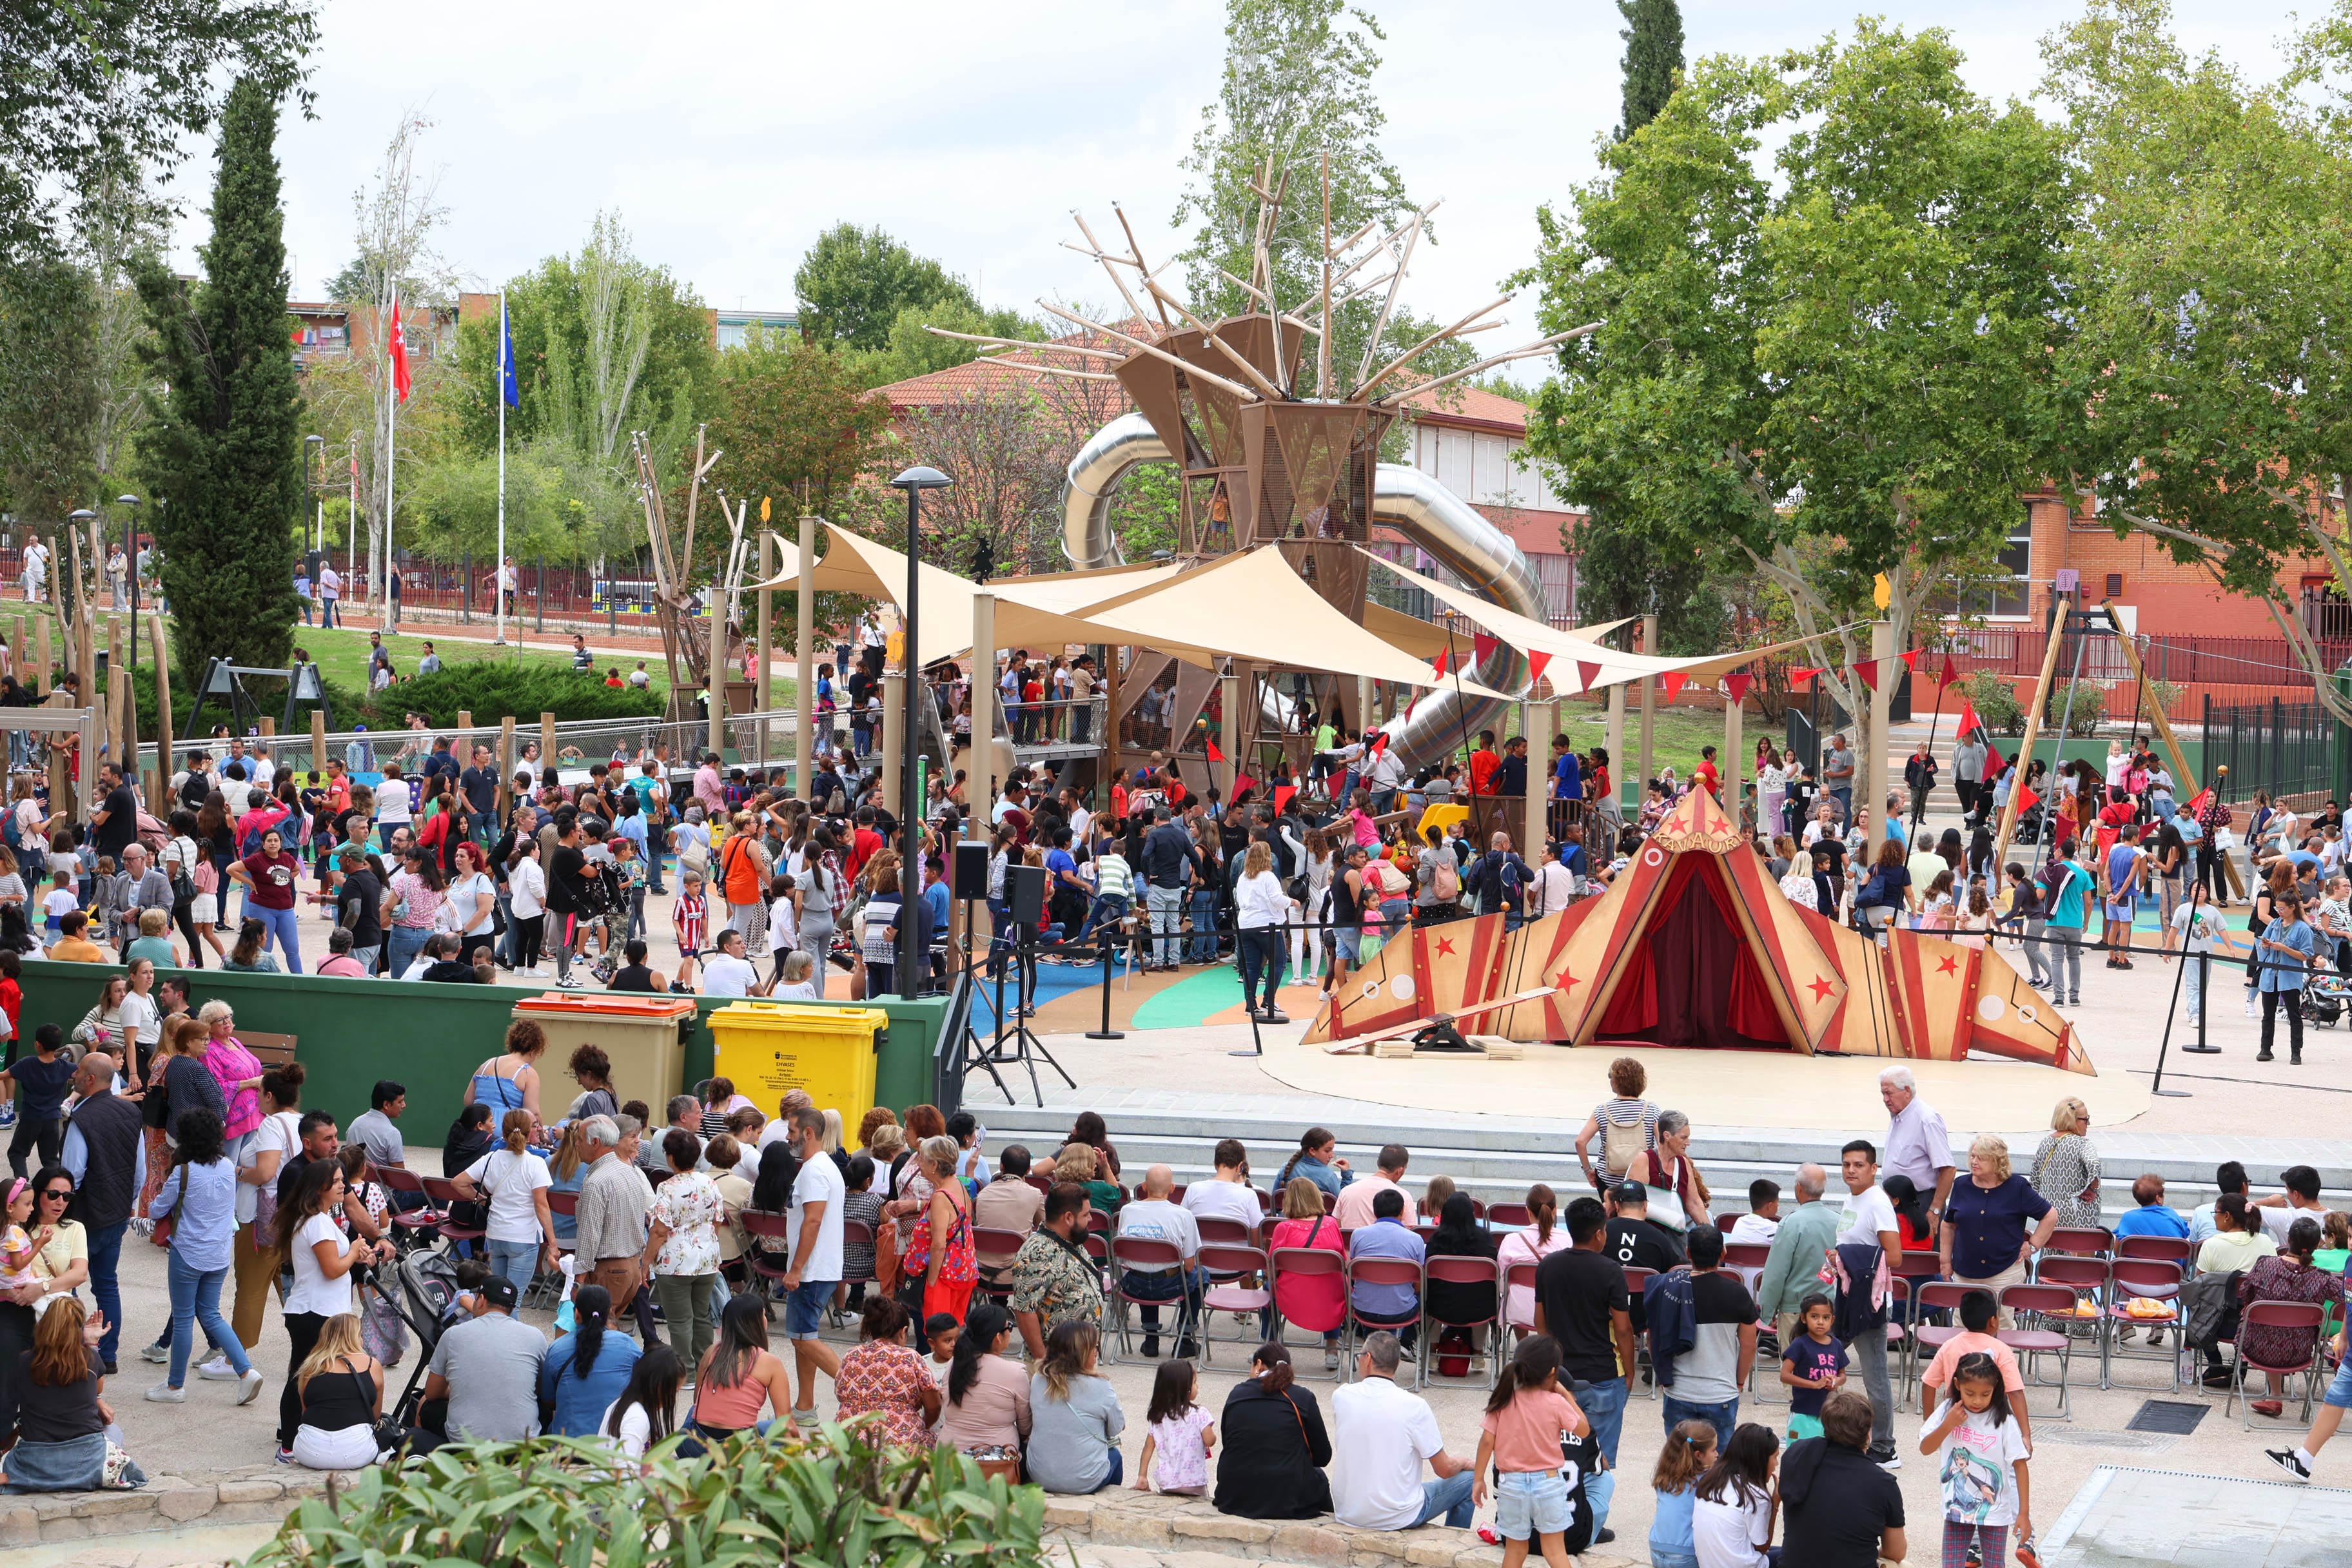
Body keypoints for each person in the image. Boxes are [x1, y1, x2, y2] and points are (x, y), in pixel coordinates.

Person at [141, 1108, 264, 1406]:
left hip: (187, 1253)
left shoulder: (184, 1172)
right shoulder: (227, 1166)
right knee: (211, 1314)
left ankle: (174, 1387)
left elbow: (157, 1210)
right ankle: (245, 1371)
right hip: (219, 1255)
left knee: (183, 1318)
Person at [1533, 1196, 1635, 1544]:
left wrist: (1550, 1365)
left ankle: (1555, 1515)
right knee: (1600, 1457)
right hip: (1603, 1374)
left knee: (1555, 1448)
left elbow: (1539, 1323)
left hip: (1559, 1374)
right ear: (1600, 1235)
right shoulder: (1610, 1270)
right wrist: (1631, 1370)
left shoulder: (1548, 1266)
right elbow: (1623, 1328)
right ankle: (1589, 1522)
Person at [1327, 1327, 1473, 1527]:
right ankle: (1455, 1543)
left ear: (1367, 1358)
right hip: (1399, 1517)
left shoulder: (1342, 1396)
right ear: (1396, 1364)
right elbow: (1445, 1469)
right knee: (1470, 1479)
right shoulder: (1415, 1406)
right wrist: (1466, 1462)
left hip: (1348, 1512)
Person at [1, 1294, 146, 1493]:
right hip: (87, 1457)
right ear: (79, 1329)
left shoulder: (24, 1361)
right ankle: (86, 1477)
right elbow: (96, 1391)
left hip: (36, 1457)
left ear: (44, 1325)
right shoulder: (89, 1359)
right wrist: (91, 1344)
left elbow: (13, 1397)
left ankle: (37, 1479)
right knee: (114, 1431)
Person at [1472, 1334, 1590, 1568]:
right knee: (1555, 1552)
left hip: (1512, 1484)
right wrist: (1566, 1395)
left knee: (1515, 1552)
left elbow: (1487, 1441)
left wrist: (1478, 1479)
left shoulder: (1504, 1399)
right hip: (1548, 1482)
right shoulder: (1556, 1403)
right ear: (1552, 1372)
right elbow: (1584, 1430)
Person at [58, 1053, 140, 1373]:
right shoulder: (131, 1112)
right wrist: (127, 1204)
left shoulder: (82, 1118)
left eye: (78, 1070)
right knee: (107, 1284)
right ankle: (108, 1355)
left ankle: (72, 1350)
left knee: (68, 1284)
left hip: (84, 1218)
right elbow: (140, 1171)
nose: (74, 1074)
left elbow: (70, 1176)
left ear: (90, 1079)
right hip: (117, 1215)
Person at [1920, 1353, 2034, 1568]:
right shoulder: (1948, 1411)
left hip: (1995, 1510)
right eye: (1970, 1393)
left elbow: (2020, 1465)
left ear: (1996, 1388)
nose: (1977, 1401)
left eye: (1985, 1394)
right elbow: (1926, 1448)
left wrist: (2024, 1513)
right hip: (1957, 1507)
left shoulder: (2004, 1420)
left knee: (1995, 1564)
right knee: (1951, 1564)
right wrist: (1948, 1424)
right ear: (1957, 1384)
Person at [1777, 1390, 1906, 1567]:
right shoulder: (1883, 1483)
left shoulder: (1797, 1456)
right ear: (1868, 1433)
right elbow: (1896, 1552)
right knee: (1901, 1565)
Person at [1939, 1133, 2057, 1327]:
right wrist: (1945, 1261)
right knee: (1961, 1326)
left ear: (1997, 1161)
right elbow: (1948, 1224)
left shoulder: (2017, 1187)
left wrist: (2033, 1245)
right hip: (1965, 1270)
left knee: (2001, 1326)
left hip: (2004, 1270)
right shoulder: (1961, 1185)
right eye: (1973, 1156)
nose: (1973, 1161)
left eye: (1981, 1158)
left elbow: (2050, 1215)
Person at [773, 1106, 844, 1424]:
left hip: (812, 1269)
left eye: (791, 1131)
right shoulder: (820, 1166)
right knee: (804, 1336)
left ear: (809, 1133)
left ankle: (862, 1388)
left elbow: (812, 1221)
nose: (787, 1136)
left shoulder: (815, 1170)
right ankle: (805, 1406)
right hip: (818, 1266)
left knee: (802, 1338)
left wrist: (797, 1268)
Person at [2238, 1218, 2346, 1419]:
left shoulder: (2265, 1265)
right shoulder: (2322, 1278)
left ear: (2288, 1240)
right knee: (2283, 1332)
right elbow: (2346, 1298)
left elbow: (2245, 1295)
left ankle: (2276, 1397)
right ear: (2317, 1245)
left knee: (2271, 1328)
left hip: (2257, 1347)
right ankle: (2275, 1397)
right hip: (2301, 1352)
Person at [418, 1274, 545, 1444]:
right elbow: (540, 1389)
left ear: (481, 1299)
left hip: (467, 1443)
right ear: (512, 1308)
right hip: (522, 1443)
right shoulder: (536, 1336)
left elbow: (432, 1393)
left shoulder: (454, 1335)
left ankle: (423, 1456)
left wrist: (463, 1389)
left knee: (424, 1403)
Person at [1666, 1226, 1759, 1452]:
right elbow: (1749, 1344)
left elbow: (1656, 1338)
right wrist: (1738, 1381)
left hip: (1679, 1389)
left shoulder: (1671, 1289)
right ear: (1723, 1253)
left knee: (1679, 1464)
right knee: (1719, 1464)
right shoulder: (1737, 1292)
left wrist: (1664, 1375)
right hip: (1721, 1392)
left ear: (1688, 1253)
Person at [1213, 1339, 1331, 1518]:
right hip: (1288, 1499)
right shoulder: (1303, 1397)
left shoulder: (1237, 1394)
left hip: (1233, 1496)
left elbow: (1229, 1440)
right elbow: (1323, 1457)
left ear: (1258, 1364)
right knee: (1319, 1478)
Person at [642, 1127, 724, 1377]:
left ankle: (686, 1372)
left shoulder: (667, 1188)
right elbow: (718, 1220)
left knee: (679, 1321)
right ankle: (705, 1366)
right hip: (707, 1259)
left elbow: (659, 1231)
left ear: (671, 1157)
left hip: (674, 1261)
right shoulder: (709, 1182)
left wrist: (645, 1263)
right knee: (701, 1316)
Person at [452, 1109, 556, 1305]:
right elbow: (541, 1206)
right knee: (512, 1303)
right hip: (523, 1236)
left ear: (504, 1132)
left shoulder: (490, 1159)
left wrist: (482, 1199)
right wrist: (552, 1243)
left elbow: (458, 1183)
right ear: (527, 1132)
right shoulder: (536, 1163)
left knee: (497, 1300)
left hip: (495, 1234)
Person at [1917, 1289, 2033, 1447]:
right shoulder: (2001, 1349)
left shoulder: (1950, 1345)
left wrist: (1929, 1421)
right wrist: (2025, 1435)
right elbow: (2015, 1392)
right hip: (1992, 1417)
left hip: (1957, 1415)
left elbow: (1929, 1384)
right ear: (1994, 1321)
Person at [1115, 1164, 1203, 1359]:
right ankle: (1184, 1338)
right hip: (1168, 1286)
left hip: (1133, 1285)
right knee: (1201, 1274)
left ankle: (1151, 1338)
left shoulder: (1127, 1211)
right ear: (1172, 1188)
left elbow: (1121, 1259)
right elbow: (1189, 1266)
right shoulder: (1184, 1215)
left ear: (1144, 1187)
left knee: (1144, 1270)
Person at [1009, 1182, 1106, 1360]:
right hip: (1057, 1365)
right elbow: (1024, 1311)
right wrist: (1042, 1361)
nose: (1091, 1219)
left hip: (1080, 1359)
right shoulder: (1037, 1253)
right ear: (1068, 1218)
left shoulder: (1072, 1240)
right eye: (1086, 1214)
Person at [1027, 1319, 1125, 1494]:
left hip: (1039, 1476)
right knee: (1115, 1456)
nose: (1097, 1352)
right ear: (1080, 1352)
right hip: (1084, 1482)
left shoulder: (1039, 1379)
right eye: (1094, 1347)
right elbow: (1116, 1428)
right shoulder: (1101, 1387)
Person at [576, 1115, 656, 1329]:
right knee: (606, 1331)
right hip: (630, 1269)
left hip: (610, 1270)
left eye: (580, 1139)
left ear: (595, 1142)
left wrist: (578, 1280)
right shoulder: (630, 1172)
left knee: (598, 1334)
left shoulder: (597, 1181)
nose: (576, 1144)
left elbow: (588, 1235)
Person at [834, 1295, 939, 1451]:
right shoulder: (910, 1357)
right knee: (935, 1441)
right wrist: (925, 1424)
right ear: (903, 1332)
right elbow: (934, 1405)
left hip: (848, 1446)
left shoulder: (851, 1356)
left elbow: (840, 1394)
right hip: (898, 1448)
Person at [539, 1282, 642, 1438]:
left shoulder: (557, 1349)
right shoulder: (626, 1344)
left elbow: (548, 1400)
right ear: (610, 1313)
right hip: (614, 1445)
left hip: (568, 1448)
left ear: (576, 1314)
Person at [687, 1295, 792, 1444]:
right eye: (763, 1314)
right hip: (738, 1449)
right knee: (777, 1426)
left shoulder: (712, 1351)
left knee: (694, 1411)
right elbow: (785, 1420)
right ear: (757, 1323)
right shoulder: (770, 1362)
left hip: (695, 1445)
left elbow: (697, 1399)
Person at [287, 1313, 385, 1471]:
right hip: (357, 1452)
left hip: (309, 1451)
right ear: (355, 1337)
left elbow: (306, 1412)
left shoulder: (310, 1367)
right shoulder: (372, 1365)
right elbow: (375, 1415)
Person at [937, 1302, 1030, 1458]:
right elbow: (1025, 1426)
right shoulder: (1015, 1372)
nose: (1010, 1332)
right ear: (998, 1338)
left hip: (948, 1455)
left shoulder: (955, 1364)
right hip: (995, 1461)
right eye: (1009, 1328)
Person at [1877, 1067, 1953, 1240]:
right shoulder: (1898, 1115)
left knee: (1920, 1261)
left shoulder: (1927, 1119)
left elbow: (1948, 1169)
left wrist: (1934, 1210)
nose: (1885, 1099)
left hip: (1921, 1203)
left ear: (1907, 1091)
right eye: (1882, 1094)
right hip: (1895, 1202)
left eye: (1889, 1093)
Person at [1689, 1422, 1779, 1568]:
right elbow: (1762, 1547)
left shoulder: (1711, 1480)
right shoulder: (1755, 1496)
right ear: (1760, 1460)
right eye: (1775, 1457)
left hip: (1709, 1564)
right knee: (1797, 1556)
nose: (1776, 1464)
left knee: (1783, 1551)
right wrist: (1775, 1502)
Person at [1498, 1183, 1567, 1339]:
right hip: (1557, 1310)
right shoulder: (1567, 1241)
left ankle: (1523, 1347)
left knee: (1517, 1296)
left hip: (1519, 1310)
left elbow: (1502, 1283)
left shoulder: (1511, 1241)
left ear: (1528, 1212)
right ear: (1555, 1210)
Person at [1650, 1419, 1721, 1568]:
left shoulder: (1664, 1475)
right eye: (1713, 1450)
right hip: (1685, 1554)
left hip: (1657, 1547)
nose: (1717, 1454)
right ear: (1699, 1455)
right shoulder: (1708, 1479)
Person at [2028, 1097, 2101, 1232]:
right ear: (2073, 1120)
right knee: (2079, 1249)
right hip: (2078, 1214)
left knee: (2052, 1251)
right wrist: (2090, 1188)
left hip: (2049, 1213)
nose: (2088, 1123)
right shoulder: (2082, 1144)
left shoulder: (2045, 1143)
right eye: (2085, 1119)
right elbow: (2094, 1164)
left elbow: (2035, 1181)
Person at [1333, 1142, 1416, 1231]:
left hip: (1351, 1244)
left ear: (1378, 1163)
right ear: (1400, 1170)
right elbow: (1410, 1232)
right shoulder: (1404, 1196)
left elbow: (1338, 1227)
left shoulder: (1346, 1191)